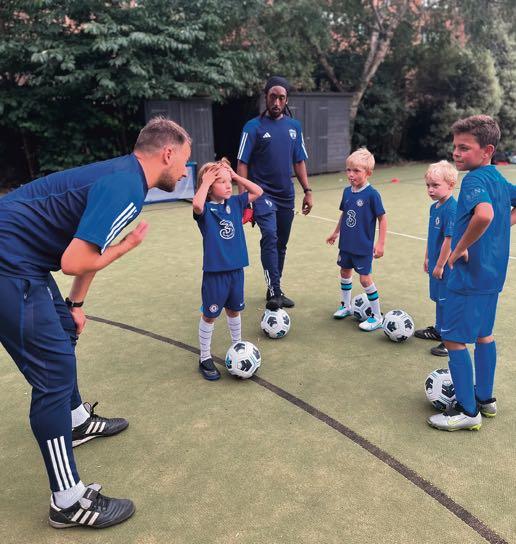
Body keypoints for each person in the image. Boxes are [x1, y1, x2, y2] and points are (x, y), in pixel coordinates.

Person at [0, 116, 191, 527]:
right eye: (184, 162)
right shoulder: (127, 187)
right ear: (168, 153)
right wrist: (126, 247)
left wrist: (76, 304)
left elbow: (89, 247)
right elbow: (75, 261)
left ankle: (75, 421)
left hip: (24, 258)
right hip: (9, 261)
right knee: (53, 373)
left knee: (64, 329)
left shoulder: (125, 176)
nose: (184, 172)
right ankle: (67, 502)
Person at [427, 115, 516, 431]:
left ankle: (467, 411)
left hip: (468, 277)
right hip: (492, 277)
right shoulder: (498, 179)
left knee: (453, 339)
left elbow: (485, 214)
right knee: (483, 335)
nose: (456, 153)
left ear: (487, 150)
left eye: (464, 148)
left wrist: (459, 248)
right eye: (455, 146)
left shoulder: (474, 180)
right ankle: (485, 399)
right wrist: (505, 224)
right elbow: (496, 215)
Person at [237, 76, 312, 311]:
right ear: (266, 97)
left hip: (286, 196)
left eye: (281, 98)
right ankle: (275, 291)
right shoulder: (252, 127)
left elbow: (299, 161)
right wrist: (244, 199)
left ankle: (275, 287)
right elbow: (242, 163)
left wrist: (307, 191)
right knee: (269, 236)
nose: (277, 102)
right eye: (273, 97)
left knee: (281, 244)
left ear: (286, 100)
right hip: (261, 195)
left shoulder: (294, 127)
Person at [193, 159, 263, 381]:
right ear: (209, 186)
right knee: (210, 315)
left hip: (236, 271)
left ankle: (237, 346)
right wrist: (206, 182)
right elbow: (197, 205)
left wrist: (236, 176)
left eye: (228, 181)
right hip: (215, 273)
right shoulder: (206, 209)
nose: (227, 185)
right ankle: (204, 357)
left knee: (234, 310)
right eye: (221, 182)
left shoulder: (235, 202)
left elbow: (258, 191)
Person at [326, 148, 387, 331]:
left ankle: (377, 316)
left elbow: (382, 219)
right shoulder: (347, 192)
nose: (351, 174)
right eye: (348, 170)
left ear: (368, 173)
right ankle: (346, 306)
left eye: (356, 171)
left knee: (365, 280)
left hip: (362, 246)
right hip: (346, 244)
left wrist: (380, 243)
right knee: (345, 272)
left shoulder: (372, 194)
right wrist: (335, 232)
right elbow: (344, 214)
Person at [415, 161, 458, 357]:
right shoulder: (434, 208)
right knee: (439, 300)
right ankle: (439, 330)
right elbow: (432, 236)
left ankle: (450, 341)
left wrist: (440, 264)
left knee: (447, 302)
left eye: (435, 185)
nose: (430, 190)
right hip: (435, 263)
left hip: (446, 267)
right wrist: (427, 258)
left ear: (451, 185)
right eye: (428, 185)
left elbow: (449, 240)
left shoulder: (452, 209)